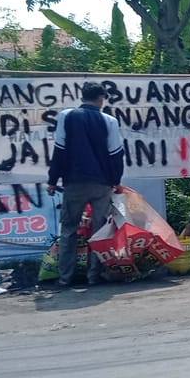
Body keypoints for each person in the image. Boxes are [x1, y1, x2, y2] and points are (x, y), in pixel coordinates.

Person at [47, 81, 124, 287]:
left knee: (69, 230)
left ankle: (65, 277)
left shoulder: (66, 116)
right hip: (101, 184)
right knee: (100, 231)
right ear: (101, 98)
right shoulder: (109, 120)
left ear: (82, 96)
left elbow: (59, 150)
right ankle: (93, 276)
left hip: (74, 183)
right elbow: (116, 154)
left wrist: (53, 180)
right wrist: (116, 181)